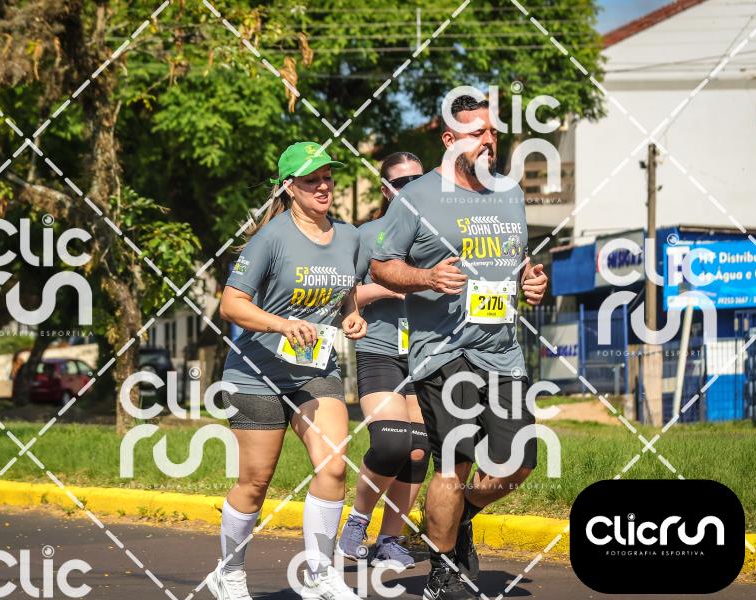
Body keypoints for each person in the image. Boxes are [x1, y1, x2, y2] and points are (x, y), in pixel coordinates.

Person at [370, 94, 548, 600]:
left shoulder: (509, 193)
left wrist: (530, 282)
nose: (488, 141)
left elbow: (515, 260)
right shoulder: (416, 197)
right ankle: (442, 572)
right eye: (476, 133)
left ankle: (459, 515)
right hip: (443, 352)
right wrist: (426, 277)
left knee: (520, 460)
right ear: (449, 140)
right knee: (455, 462)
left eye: (492, 132)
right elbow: (382, 264)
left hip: (502, 351)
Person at [208, 142, 368, 600]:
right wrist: (282, 324)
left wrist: (352, 315)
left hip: (314, 371)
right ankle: (228, 573)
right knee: (255, 482)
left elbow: (346, 291)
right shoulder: (271, 238)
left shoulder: (350, 237)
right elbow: (231, 305)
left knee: (333, 466)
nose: (323, 186)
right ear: (288, 188)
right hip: (255, 374)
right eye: (311, 179)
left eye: (327, 177)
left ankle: (320, 573)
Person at [337, 152, 428, 569]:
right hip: (380, 350)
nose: (410, 189)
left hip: (428, 354)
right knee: (392, 442)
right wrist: (388, 288)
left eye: (418, 181)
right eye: (401, 183)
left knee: (418, 450)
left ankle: (390, 540)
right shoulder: (367, 235)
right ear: (386, 190)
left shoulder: (440, 231)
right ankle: (357, 522)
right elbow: (344, 294)